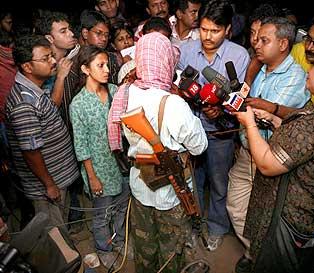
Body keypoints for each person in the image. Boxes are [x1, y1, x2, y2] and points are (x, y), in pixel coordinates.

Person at [231, 39, 314, 273]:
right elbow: (308, 150)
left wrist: (249, 123)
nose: (309, 69)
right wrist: (276, 121)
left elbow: (267, 164)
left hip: (292, 228)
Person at [108, 32, 208, 272]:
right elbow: (199, 145)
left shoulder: (124, 94)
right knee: (171, 250)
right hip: (171, 192)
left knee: (145, 246)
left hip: (141, 183)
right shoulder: (173, 103)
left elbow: (119, 137)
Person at [226, 16, 310, 272]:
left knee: (265, 215)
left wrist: (250, 107)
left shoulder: (295, 76)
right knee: (236, 204)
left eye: (264, 40)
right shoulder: (260, 69)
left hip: (271, 157)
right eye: (256, 38)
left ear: (283, 44)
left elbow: (268, 115)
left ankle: (260, 259)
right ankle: (254, 250)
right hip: (246, 152)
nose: (256, 43)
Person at [178, 0, 250, 251]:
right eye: (204, 29)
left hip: (221, 131)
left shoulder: (239, 56)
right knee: (192, 182)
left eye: (215, 31)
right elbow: (179, 85)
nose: (207, 37)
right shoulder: (185, 51)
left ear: (228, 29)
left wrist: (220, 108)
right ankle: (193, 226)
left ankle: (218, 227)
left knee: (219, 182)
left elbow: (239, 96)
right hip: (190, 132)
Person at [5, 35, 79, 228]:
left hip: (57, 176)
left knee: (60, 226)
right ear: (27, 67)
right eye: (45, 58)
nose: (53, 61)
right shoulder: (24, 105)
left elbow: (50, 109)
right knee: (55, 234)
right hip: (47, 185)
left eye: (51, 56)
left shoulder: (33, 89)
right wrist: (49, 185)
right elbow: (31, 152)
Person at [69, 45, 128, 269]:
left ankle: (121, 239)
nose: (106, 70)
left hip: (122, 164)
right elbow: (81, 145)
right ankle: (104, 249)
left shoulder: (115, 91)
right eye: (100, 65)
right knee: (102, 214)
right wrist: (92, 177)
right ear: (85, 69)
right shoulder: (79, 104)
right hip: (99, 169)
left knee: (123, 206)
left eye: (107, 65)